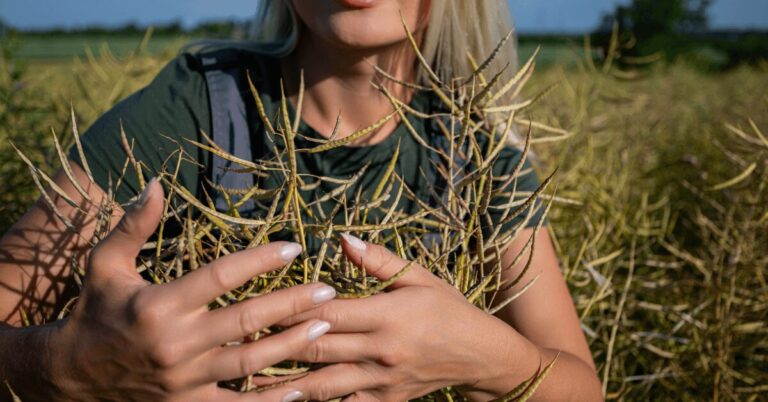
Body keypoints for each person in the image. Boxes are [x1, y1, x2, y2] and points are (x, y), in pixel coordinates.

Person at [0, 0, 604, 401]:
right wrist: (69, 365)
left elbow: (581, 387)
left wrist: (482, 357)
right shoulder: (193, 110)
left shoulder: (478, 157)